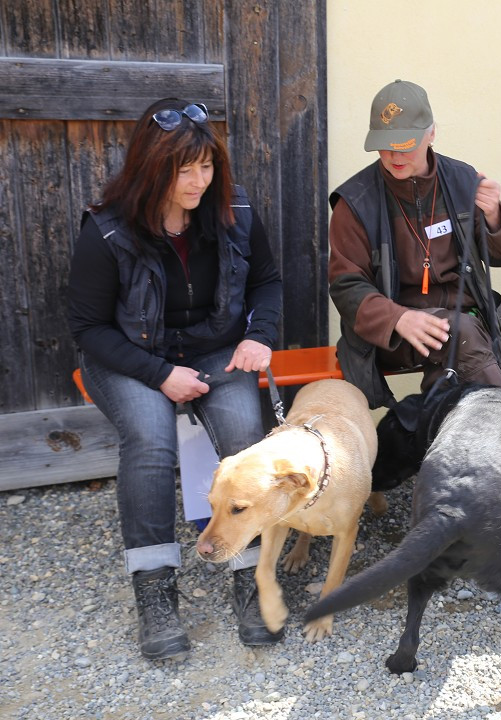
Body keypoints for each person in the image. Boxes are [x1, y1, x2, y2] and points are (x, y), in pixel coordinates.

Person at [67, 98, 284, 659]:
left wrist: (259, 335)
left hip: (216, 351)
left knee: (243, 446)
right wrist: (160, 375)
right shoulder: (107, 231)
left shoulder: (233, 211)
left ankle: (249, 578)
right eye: (182, 169)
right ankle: (155, 591)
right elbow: (89, 328)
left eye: (206, 166)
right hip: (130, 359)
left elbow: (267, 282)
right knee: (150, 442)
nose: (198, 180)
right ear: (151, 166)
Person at [328, 80, 501, 509]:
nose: (394, 157)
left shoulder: (462, 180)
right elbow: (346, 284)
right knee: (462, 337)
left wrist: (494, 216)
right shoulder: (354, 202)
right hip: (389, 336)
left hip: (461, 325)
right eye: (385, 146)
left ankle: (426, 498)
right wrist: (396, 318)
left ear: (432, 133)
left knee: (446, 395)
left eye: (405, 145)